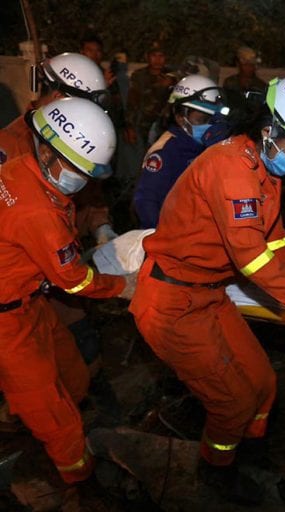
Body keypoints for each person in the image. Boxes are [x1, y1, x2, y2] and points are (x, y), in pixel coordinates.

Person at [128, 74, 285, 503]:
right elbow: (253, 261)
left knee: (264, 385)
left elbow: (277, 243)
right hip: (172, 303)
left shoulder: (266, 169)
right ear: (270, 128)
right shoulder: (230, 167)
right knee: (231, 402)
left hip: (208, 295)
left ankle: (248, 455)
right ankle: (216, 475)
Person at [0, 97, 136, 485]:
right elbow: (73, 280)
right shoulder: (38, 212)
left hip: (29, 303)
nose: (82, 179)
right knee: (57, 422)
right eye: (76, 169)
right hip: (7, 325)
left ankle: (30, 423)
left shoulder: (17, 169)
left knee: (73, 376)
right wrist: (122, 286)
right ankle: (77, 483)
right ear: (46, 149)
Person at [0, 52, 119, 379]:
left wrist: (101, 225)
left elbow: (88, 192)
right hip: (26, 280)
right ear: (58, 96)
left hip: (56, 268)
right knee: (37, 373)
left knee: (76, 357)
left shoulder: (78, 139)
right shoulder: (9, 145)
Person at [133, 74, 228, 228]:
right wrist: (163, 239)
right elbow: (145, 201)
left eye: (211, 120)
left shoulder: (207, 146)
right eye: (201, 120)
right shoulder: (165, 152)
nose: (207, 126)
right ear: (180, 117)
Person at [123, 41, 177, 151]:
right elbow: (132, 102)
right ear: (147, 57)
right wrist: (129, 126)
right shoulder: (139, 76)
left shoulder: (172, 76)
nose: (157, 60)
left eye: (161, 56)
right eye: (154, 56)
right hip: (143, 125)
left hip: (165, 126)